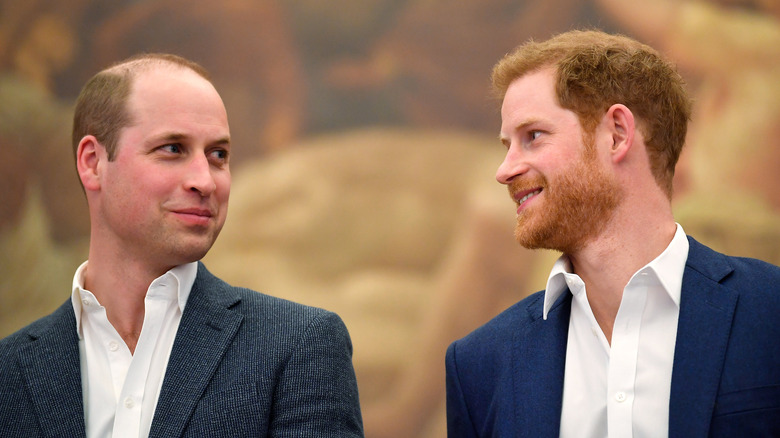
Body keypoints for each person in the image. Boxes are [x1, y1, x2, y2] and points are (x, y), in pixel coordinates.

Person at [0, 53, 363, 437]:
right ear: (93, 163)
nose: (205, 181)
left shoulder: (299, 347)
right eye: (173, 149)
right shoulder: (10, 371)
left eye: (218, 155)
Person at [445, 29, 780, 437]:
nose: (505, 170)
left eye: (532, 136)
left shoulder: (770, 311)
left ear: (618, 133)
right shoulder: (480, 362)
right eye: (506, 145)